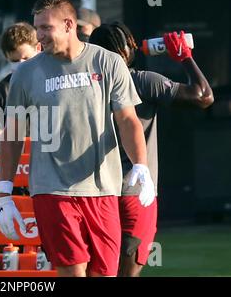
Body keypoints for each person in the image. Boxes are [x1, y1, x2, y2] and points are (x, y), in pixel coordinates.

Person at [0, 0, 154, 277]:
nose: (38, 35)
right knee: (73, 273)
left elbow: (128, 119)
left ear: (69, 25)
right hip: (52, 190)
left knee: (104, 273)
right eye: (37, 27)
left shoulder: (108, 63)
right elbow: (12, 134)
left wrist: (141, 165)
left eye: (46, 28)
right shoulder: (25, 73)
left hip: (103, 189)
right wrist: (4, 192)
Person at [89, 22, 214, 276]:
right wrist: (185, 58)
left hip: (94, 193)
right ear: (125, 50)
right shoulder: (142, 81)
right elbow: (203, 96)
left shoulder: (85, 87)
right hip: (136, 191)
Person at [0, 22, 41, 130]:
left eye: (26, 58)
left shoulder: (54, 84)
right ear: (6, 58)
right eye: (15, 61)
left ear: (38, 48)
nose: (21, 65)